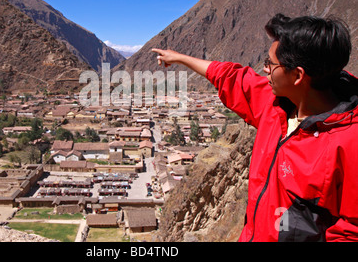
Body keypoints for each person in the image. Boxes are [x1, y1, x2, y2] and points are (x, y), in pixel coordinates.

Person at [152, 13, 358, 242]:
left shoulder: (348, 143)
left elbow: (350, 232)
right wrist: (179, 58)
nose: (265, 69)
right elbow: (228, 76)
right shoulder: (276, 105)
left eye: (271, 63)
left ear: (298, 75)